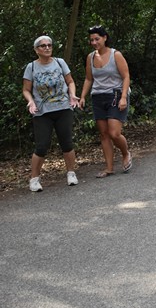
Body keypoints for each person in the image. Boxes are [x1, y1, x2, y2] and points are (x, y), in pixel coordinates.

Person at [22, 36, 80, 192]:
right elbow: (26, 90)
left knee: (67, 143)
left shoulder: (60, 62)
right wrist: (31, 101)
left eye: (49, 45)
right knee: (41, 146)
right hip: (42, 112)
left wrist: (72, 94)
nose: (47, 48)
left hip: (63, 108)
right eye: (43, 46)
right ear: (36, 50)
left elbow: (70, 82)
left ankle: (71, 173)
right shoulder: (31, 67)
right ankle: (34, 179)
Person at [79, 25, 132, 178]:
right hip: (98, 96)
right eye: (91, 40)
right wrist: (82, 96)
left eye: (97, 39)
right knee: (104, 134)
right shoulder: (90, 57)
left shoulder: (116, 55)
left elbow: (126, 76)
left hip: (116, 95)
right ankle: (109, 168)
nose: (94, 42)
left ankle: (125, 153)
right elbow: (89, 78)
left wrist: (123, 97)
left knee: (114, 133)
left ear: (105, 38)